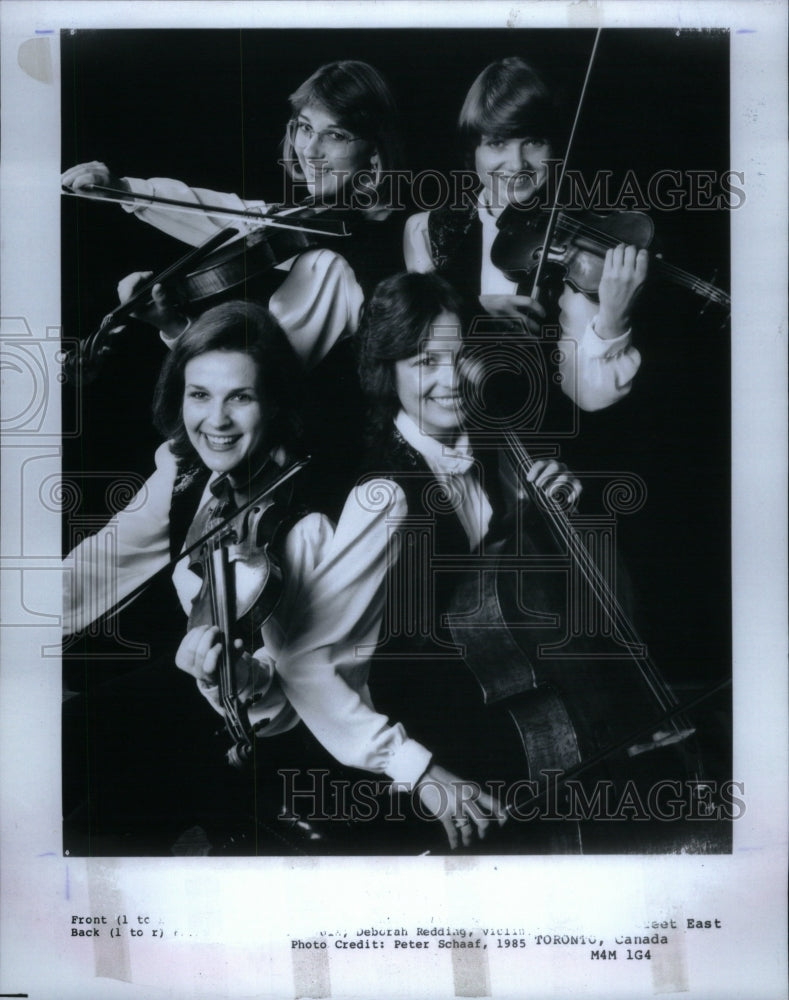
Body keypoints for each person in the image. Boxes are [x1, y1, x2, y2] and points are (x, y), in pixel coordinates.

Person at [62, 299, 500, 855]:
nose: (215, 421)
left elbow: (303, 669)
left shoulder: (323, 512)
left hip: (289, 732)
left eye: (240, 397)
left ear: (273, 402)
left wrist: (419, 769)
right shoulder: (185, 471)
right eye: (199, 395)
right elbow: (98, 564)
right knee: (57, 743)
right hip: (219, 695)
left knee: (86, 839)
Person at [61, 60, 406, 514]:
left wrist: (175, 326)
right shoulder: (310, 218)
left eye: (335, 135)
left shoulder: (337, 261)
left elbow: (255, 377)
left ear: (374, 155)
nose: (311, 149)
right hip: (241, 458)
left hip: (281, 484)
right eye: (304, 128)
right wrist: (124, 190)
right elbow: (222, 212)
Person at [404, 56, 647, 415]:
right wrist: (474, 312)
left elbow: (588, 395)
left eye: (533, 141)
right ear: (473, 152)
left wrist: (613, 319)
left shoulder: (577, 248)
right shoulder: (426, 230)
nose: (518, 165)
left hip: (539, 454)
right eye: (498, 143)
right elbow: (416, 355)